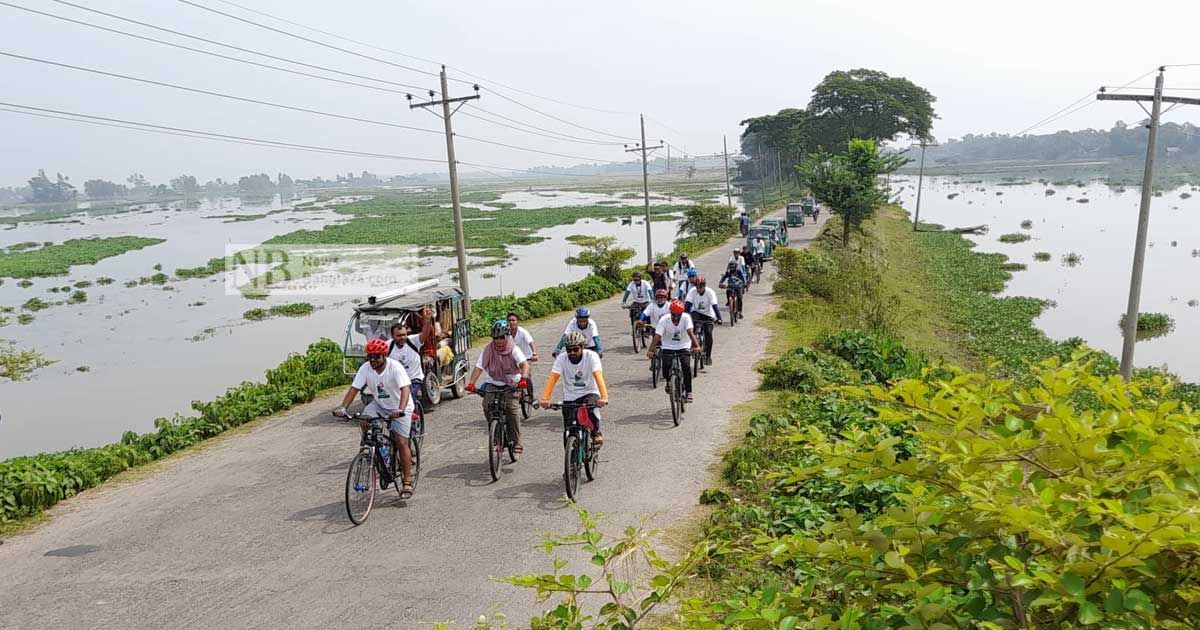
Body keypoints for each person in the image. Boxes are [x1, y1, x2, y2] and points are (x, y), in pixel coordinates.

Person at [334, 338, 417, 498]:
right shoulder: (366, 368)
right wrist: (343, 408)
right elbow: (354, 389)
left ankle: (407, 481)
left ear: (384, 356)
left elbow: (405, 389)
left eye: (376, 357)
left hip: (400, 406)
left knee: (401, 442)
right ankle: (371, 448)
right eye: (369, 357)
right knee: (364, 419)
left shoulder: (395, 367)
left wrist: (400, 410)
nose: (372, 360)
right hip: (379, 404)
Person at [465, 321, 530, 456]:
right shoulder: (488, 349)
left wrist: (523, 379)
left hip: (512, 382)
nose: (499, 341)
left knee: (512, 410)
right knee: (487, 405)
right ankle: (496, 434)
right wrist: (471, 383)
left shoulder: (513, 349)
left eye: (501, 337)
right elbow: (479, 367)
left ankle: (516, 441)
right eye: (495, 338)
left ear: (507, 336)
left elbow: (525, 365)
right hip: (494, 381)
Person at [539, 331, 609, 448]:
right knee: (568, 422)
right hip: (571, 395)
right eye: (569, 350)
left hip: (590, 392)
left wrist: (604, 397)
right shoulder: (561, 359)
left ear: (582, 347)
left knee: (591, 410)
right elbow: (553, 378)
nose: (572, 353)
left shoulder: (592, 356)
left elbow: (598, 376)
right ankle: (572, 455)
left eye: (575, 349)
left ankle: (596, 432)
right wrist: (545, 398)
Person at [645, 300, 701, 403]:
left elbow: (690, 332)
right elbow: (657, 336)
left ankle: (689, 392)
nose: (676, 318)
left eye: (678, 315)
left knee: (686, 366)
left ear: (681, 313)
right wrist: (650, 350)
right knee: (666, 366)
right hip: (668, 346)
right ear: (670, 313)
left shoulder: (686, 318)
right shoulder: (664, 319)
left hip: (683, 345)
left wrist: (696, 346)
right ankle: (668, 381)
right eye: (673, 315)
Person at [388, 323, 427, 408]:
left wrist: (427, 321)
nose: (402, 338)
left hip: (413, 379)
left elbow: (425, 334)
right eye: (398, 335)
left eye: (404, 335)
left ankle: (414, 418)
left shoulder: (413, 341)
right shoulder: (387, 346)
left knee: (408, 399)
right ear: (392, 336)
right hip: (396, 381)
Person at [685, 275, 721, 362]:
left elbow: (715, 306)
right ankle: (690, 345)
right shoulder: (692, 291)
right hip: (696, 313)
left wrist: (719, 318)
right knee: (690, 328)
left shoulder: (710, 292)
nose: (699, 289)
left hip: (708, 315)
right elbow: (687, 305)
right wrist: (684, 316)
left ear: (704, 286)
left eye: (701, 287)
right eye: (697, 287)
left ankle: (708, 356)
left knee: (708, 334)